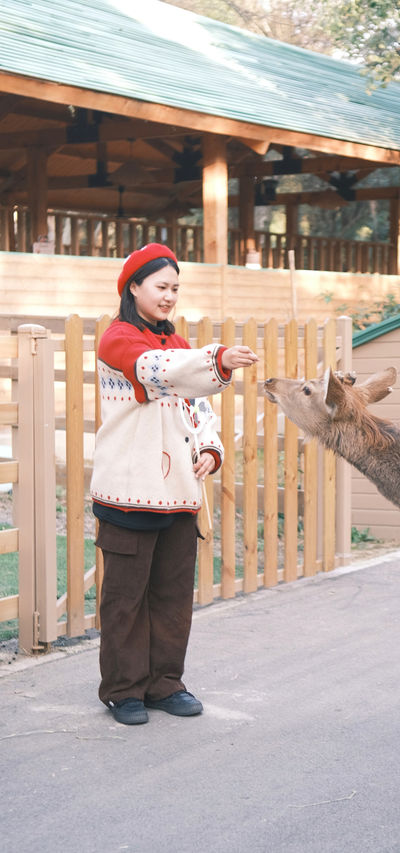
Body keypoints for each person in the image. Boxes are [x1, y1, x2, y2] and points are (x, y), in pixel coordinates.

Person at [90, 243, 258, 725]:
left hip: (180, 495)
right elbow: (157, 373)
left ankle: (165, 684)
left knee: (171, 596)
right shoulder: (117, 341)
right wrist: (219, 358)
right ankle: (123, 690)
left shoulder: (180, 345)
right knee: (125, 598)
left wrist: (210, 449)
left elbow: (197, 407)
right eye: (161, 287)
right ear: (134, 287)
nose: (169, 297)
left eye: (175, 289)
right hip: (128, 490)